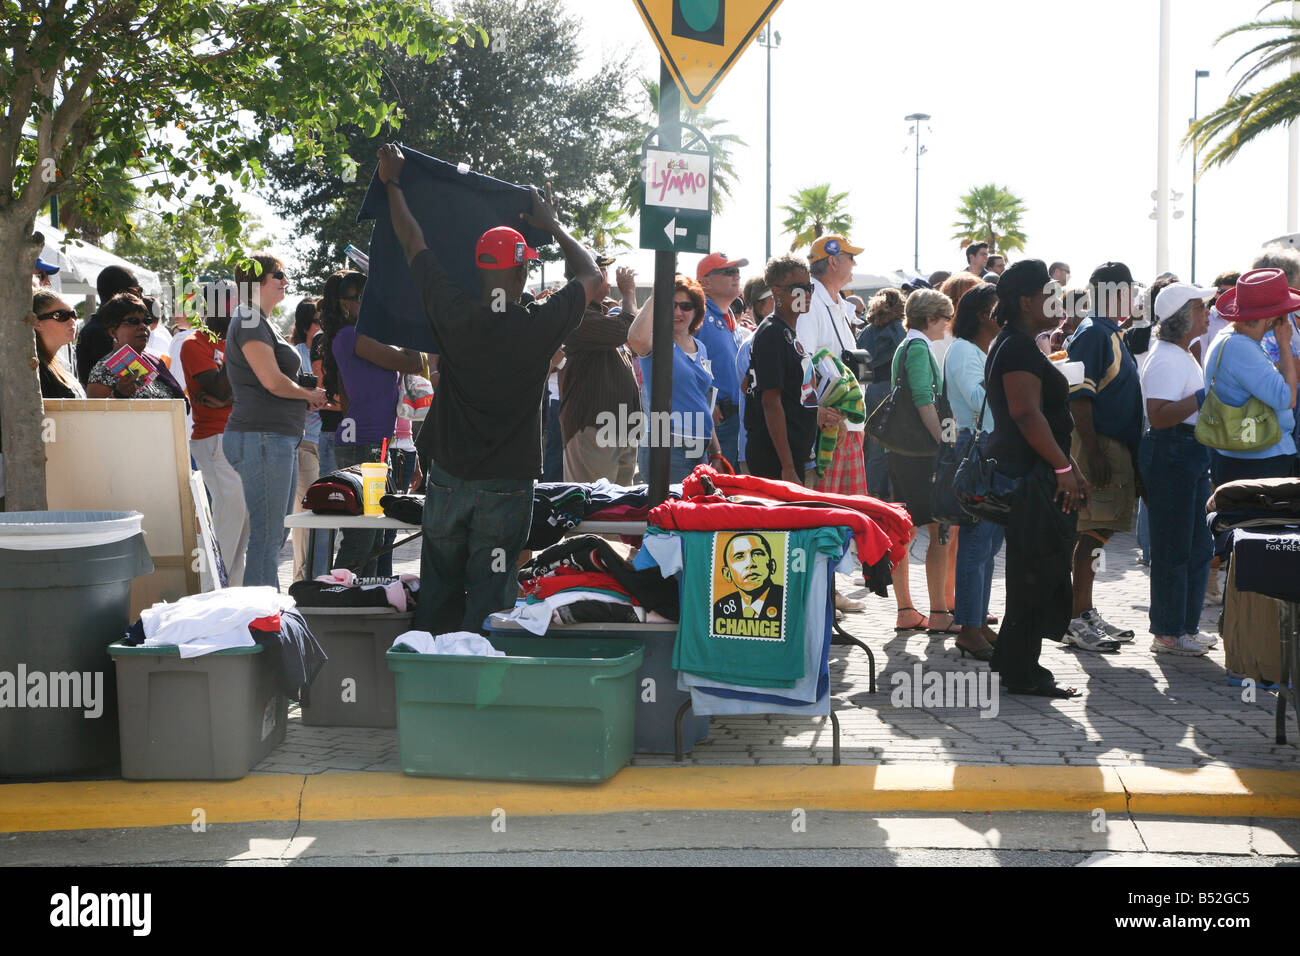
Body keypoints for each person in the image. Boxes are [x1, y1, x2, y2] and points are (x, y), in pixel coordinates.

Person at [376, 143, 603, 635]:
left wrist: (393, 183)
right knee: (493, 591)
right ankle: (479, 682)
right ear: (523, 270)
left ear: (480, 270)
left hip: (450, 478)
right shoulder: (540, 324)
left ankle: (430, 674)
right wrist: (554, 224)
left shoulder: (452, 310)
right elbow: (591, 276)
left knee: (438, 583)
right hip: (507, 483)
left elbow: (413, 242)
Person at [985, 260, 1087, 698]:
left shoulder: (1021, 343)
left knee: (1037, 569)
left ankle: (1015, 663)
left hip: (1040, 471)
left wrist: (1068, 464)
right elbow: (1025, 412)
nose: (1057, 298)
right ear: (1026, 302)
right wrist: (1062, 467)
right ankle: (1021, 670)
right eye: (1048, 291)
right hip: (1030, 478)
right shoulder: (1017, 347)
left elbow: (1044, 414)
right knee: (1035, 571)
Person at [223, 255, 327, 590]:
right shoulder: (251, 319)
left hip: (273, 438)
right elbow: (271, 381)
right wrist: (309, 396)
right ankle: (263, 620)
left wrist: (308, 391)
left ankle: (265, 614)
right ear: (255, 282)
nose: (285, 280)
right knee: (267, 538)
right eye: (277, 274)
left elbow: (278, 380)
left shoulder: (259, 321)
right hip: (261, 437)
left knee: (273, 534)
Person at [1064, 261, 1144, 651]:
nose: (1133, 297)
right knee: (1092, 530)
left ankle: (1085, 611)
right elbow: (1079, 396)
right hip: (1099, 444)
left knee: (1099, 530)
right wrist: (1093, 451)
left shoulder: (1108, 330)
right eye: (1128, 289)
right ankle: (1076, 618)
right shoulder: (1094, 331)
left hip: (1111, 444)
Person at [325, 269, 423, 575]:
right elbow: (414, 362)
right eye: (361, 298)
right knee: (362, 537)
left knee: (378, 535)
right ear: (344, 304)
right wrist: (405, 319)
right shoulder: (351, 336)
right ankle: (339, 597)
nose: (369, 303)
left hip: (375, 443)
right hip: (363, 446)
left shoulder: (360, 336)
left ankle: (367, 598)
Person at [1140, 283, 1218, 657]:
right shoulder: (1168, 357)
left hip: (1188, 452)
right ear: (1183, 317)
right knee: (1175, 546)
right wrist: (1203, 397)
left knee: (1198, 545)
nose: (1208, 312)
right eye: (1201, 307)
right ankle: (1169, 632)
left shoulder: (1179, 352)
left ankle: (1183, 627)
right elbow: (1158, 416)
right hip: (1173, 452)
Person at [887, 289, 956, 636]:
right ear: (929, 318)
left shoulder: (908, 344)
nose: (948, 325)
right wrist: (943, 443)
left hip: (903, 453)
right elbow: (923, 401)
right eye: (945, 318)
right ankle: (939, 612)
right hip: (920, 455)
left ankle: (906, 609)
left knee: (905, 530)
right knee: (939, 530)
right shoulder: (917, 347)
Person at [944, 283, 1003, 659]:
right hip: (978, 445)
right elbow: (977, 398)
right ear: (984, 315)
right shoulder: (966, 351)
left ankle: (977, 621)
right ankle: (968, 626)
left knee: (988, 543)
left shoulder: (975, 349)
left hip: (986, 444)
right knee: (977, 541)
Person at [742, 256, 837, 482]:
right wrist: (787, 466)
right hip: (776, 459)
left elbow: (747, 382)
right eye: (798, 288)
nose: (806, 294)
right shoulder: (772, 333)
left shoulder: (787, 332)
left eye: (809, 287)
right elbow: (770, 401)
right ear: (777, 292)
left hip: (793, 455)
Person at [1203, 268, 1300, 485]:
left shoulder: (1233, 339)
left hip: (1249, 456)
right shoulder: (1241, 347)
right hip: (1259, 460)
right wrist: (1284, 343)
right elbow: (1288, 399)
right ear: (1271, 316)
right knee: (1262, 521)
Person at [181, 295, 248, 587]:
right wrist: (229, 397)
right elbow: (219, 389)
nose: (234, 311)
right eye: (228, 305)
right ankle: (209, 590)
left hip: (242, 434)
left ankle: (231, 594)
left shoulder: (242, 343)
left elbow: (250, 391)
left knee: (243, 521)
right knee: (230, 511)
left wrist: (229, 398)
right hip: (213, 437)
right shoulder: (193, 344)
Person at [627, 275, 722, 482]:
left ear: (697, 310)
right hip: (667, 448)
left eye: (686, 306)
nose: (678, 311)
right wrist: (656, 295)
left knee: (694, 512)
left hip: (701, 450)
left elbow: (702, 402)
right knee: (672, 512)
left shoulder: (701, 347)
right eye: (672, 305)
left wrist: (716, 452)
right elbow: (635, 339)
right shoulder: (657, 342)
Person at [559, 257, 641, 485]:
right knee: (595, 508)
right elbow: (628, 330)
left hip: (620, 426)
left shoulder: (602, 310)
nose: (608, 276)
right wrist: (629, 293)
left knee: (621, 510)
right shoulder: (575, 313)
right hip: (592, 428)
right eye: (602, 270)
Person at [696, 252, 749, 467]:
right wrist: (707, 402)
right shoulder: (697, 315)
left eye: (737, 271)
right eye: (728, 271)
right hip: (716, 422)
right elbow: (686, 362)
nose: (736, 276)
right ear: (705, 282)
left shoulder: (728, 318)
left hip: (736, 419)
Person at [84, 293, 187, 401]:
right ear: (113, 331)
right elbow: (96, 414)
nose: (143, 326)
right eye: (133, 321)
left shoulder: (154, 362)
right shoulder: (103, 371)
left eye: (146, 321)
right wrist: (119, 395)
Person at [858, 287, 906, 497]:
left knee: (871, 447)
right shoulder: (897, 328)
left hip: (868, 389)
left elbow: (860, 367)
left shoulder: (866, 331)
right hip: (889, 390)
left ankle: (870, 492)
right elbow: (905, 355)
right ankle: (877, 494)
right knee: (886, 448)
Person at [290, 296, 323, 582]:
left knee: (328, 517)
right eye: (317, 322)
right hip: (306, 444)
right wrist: (308, 397)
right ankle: (302, 581)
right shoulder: (296, 355)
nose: (323, 326)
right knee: (307, 517)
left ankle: (321, 578)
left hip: (332, 443)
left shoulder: (336, 351)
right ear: (305, 326)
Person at [77, 266, 143, 385]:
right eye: (138, 291)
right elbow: (135, 380)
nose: (140, 297)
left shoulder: (97, 327)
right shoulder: (99, 332)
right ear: (122, 294)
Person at [712, 533, 784, 632]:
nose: (750, 563)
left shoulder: (786, 600)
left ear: (772, 566)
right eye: (739, 557)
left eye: (758, 554)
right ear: (727, 574)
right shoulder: (720, 607)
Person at [32, 290, 84, 398]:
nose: (72, 321)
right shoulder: (34, 367)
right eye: (62, 315)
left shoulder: (59, 362)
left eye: (73, 314)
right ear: (37, 323)